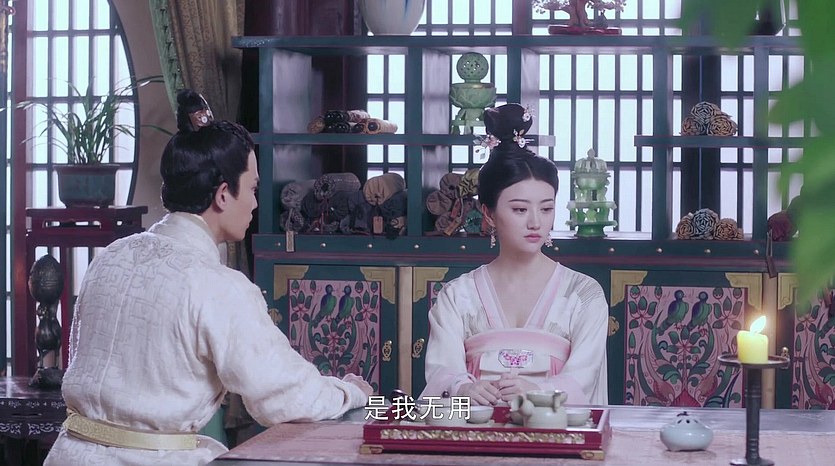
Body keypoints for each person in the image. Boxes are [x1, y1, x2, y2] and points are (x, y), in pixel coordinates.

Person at [45, 89, 373, 466]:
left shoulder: (111, 256)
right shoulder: (217, 287)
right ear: (222, 195)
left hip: (66, 454)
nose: (255, 202)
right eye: (252, 188)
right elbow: (285, 396)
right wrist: (350, 392)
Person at [421, 103, 609, 406]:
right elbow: (442, 373)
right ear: (489, 213)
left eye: (546, 208)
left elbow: (584, 379)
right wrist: (463, 389)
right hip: (475, 432)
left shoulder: (583, 294)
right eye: (520, 209)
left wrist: (538, 392)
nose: (535, 222)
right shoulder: (458, 296)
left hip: (554, 433)